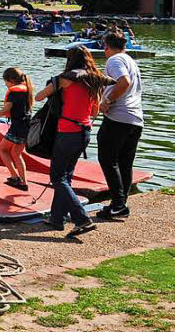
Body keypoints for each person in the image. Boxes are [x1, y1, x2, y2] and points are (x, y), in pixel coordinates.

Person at [34, 46, 114, 238]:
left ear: (70, 60)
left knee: (57, 177)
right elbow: (94, 112)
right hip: (84, 132)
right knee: (66, 176)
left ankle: (81, 218)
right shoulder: (95, 81)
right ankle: (56, 218)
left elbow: (38, 97)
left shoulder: (66, 79)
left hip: (67, 131)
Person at [97, 31, 144, 219]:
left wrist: (106, 100)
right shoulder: (130, 60)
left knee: (107, 159)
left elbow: (124, 82)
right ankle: (120, 204)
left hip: (119, 118)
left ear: (106, 46)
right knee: (125, 162)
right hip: (135, 119)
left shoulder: (114, 60)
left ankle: (118, 203)